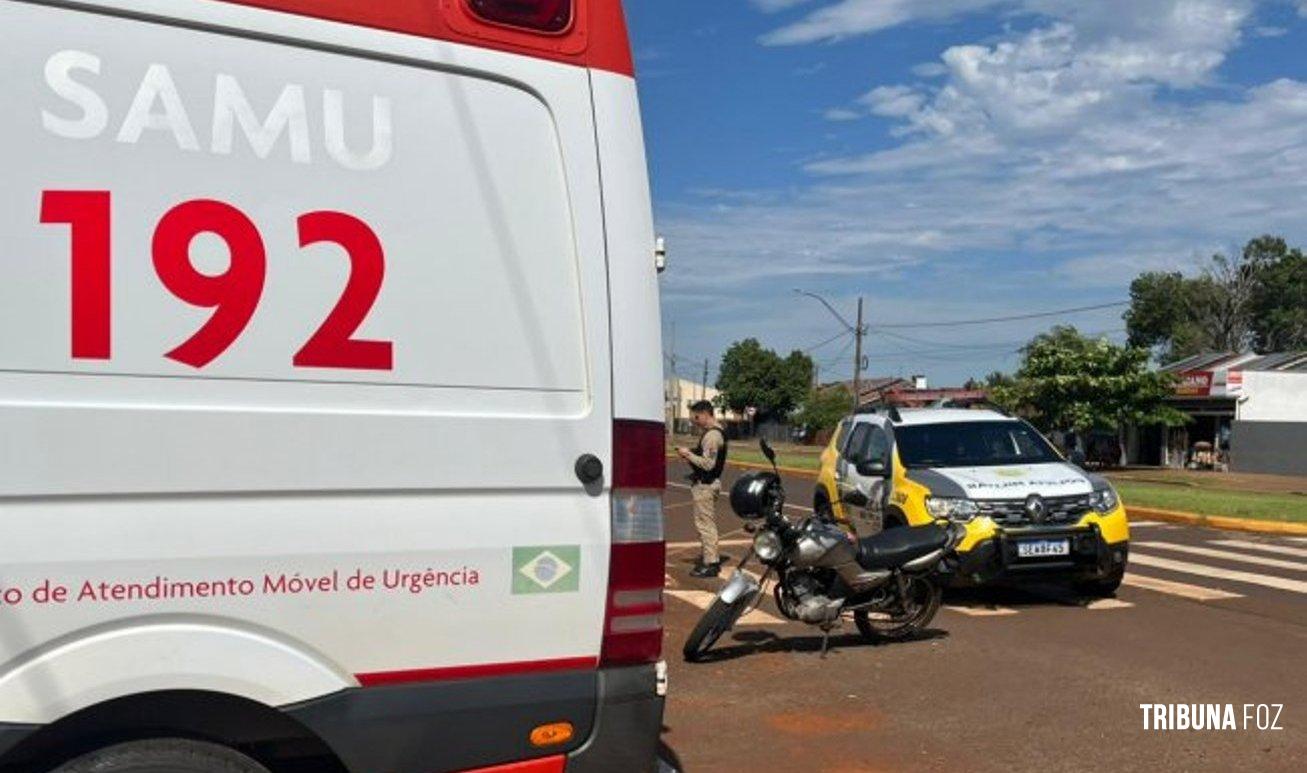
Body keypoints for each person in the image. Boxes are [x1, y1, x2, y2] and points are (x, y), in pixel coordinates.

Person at [676, 401, 729, 577]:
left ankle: (711, 563)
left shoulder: (712, 436)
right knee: (705, 524)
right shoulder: (714, 432)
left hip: (706, 486)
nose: (694, 421)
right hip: (706, 483)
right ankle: (710, 558)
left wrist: (688, 454)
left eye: (696, 417)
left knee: (705, 525)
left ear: (706, 414)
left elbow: (708, 464)